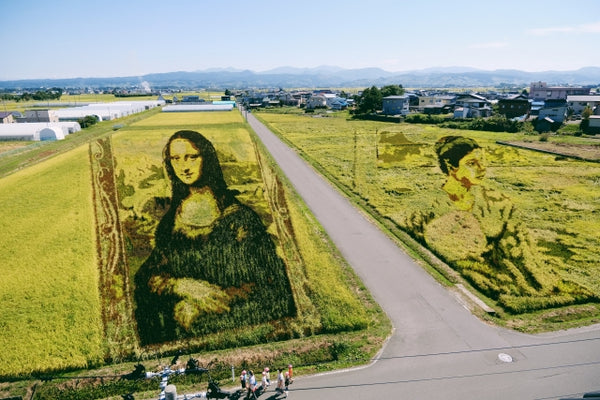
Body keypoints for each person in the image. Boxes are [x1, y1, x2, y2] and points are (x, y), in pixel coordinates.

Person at [134, 130, 296, 345]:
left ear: (206, 159)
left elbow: (268, 283)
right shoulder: (172, 220)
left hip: (235, 314)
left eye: (192, 157)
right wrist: (183, 286)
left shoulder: (239, 219)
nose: (184, 166)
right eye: (176, 158)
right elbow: (150, 273)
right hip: (182, 316)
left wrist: (203, 303)